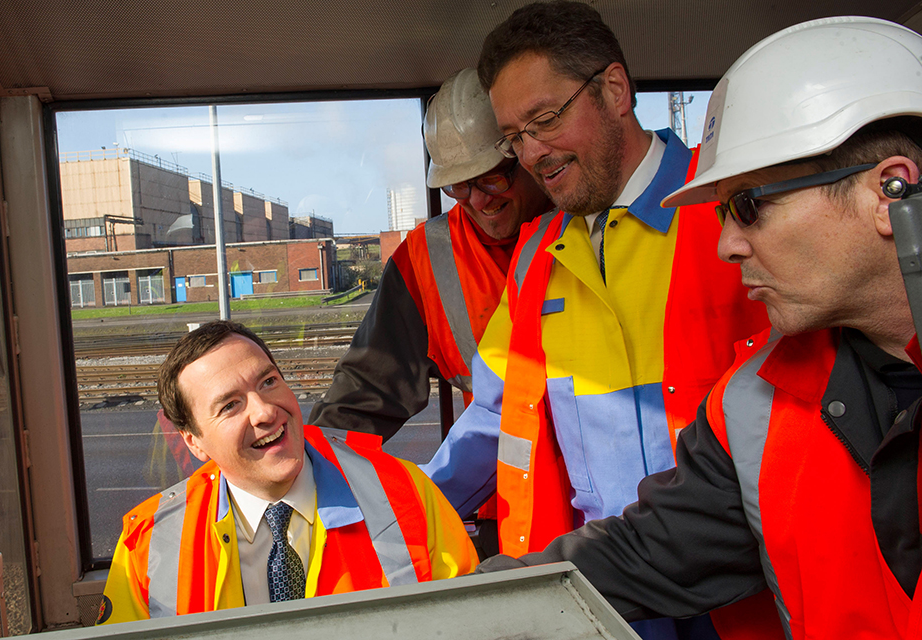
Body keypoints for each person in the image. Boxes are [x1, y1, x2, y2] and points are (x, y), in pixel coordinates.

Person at [476, 15, 922, 639]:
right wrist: (453, 605)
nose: (726, 244)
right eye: (514, 136)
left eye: (749, 205)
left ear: (890, 191)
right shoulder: (753, 410)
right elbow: (644, 550)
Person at [423, 2, 776, 638]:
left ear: (615, 89)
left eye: (545, 120)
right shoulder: (534, 256)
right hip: (600, 600)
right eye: (515, 137)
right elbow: (492, 421)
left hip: (743, 596)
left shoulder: (733, 208)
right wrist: (394, 514)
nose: (531, 153)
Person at [97, 321, 477, 624]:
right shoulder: (148, 547)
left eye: (268, 381)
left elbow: (472, 625)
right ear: (194, 442)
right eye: (230, 405)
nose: (265, 411)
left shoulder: (407, 496)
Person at [309, 68, 552, 439]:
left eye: (493, 177)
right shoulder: (426, 259)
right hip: (500, 484)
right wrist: (310, 467)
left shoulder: (592, 225)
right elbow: (368, 389)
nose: (479, 200)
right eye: (459, 186)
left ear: (527, 154)